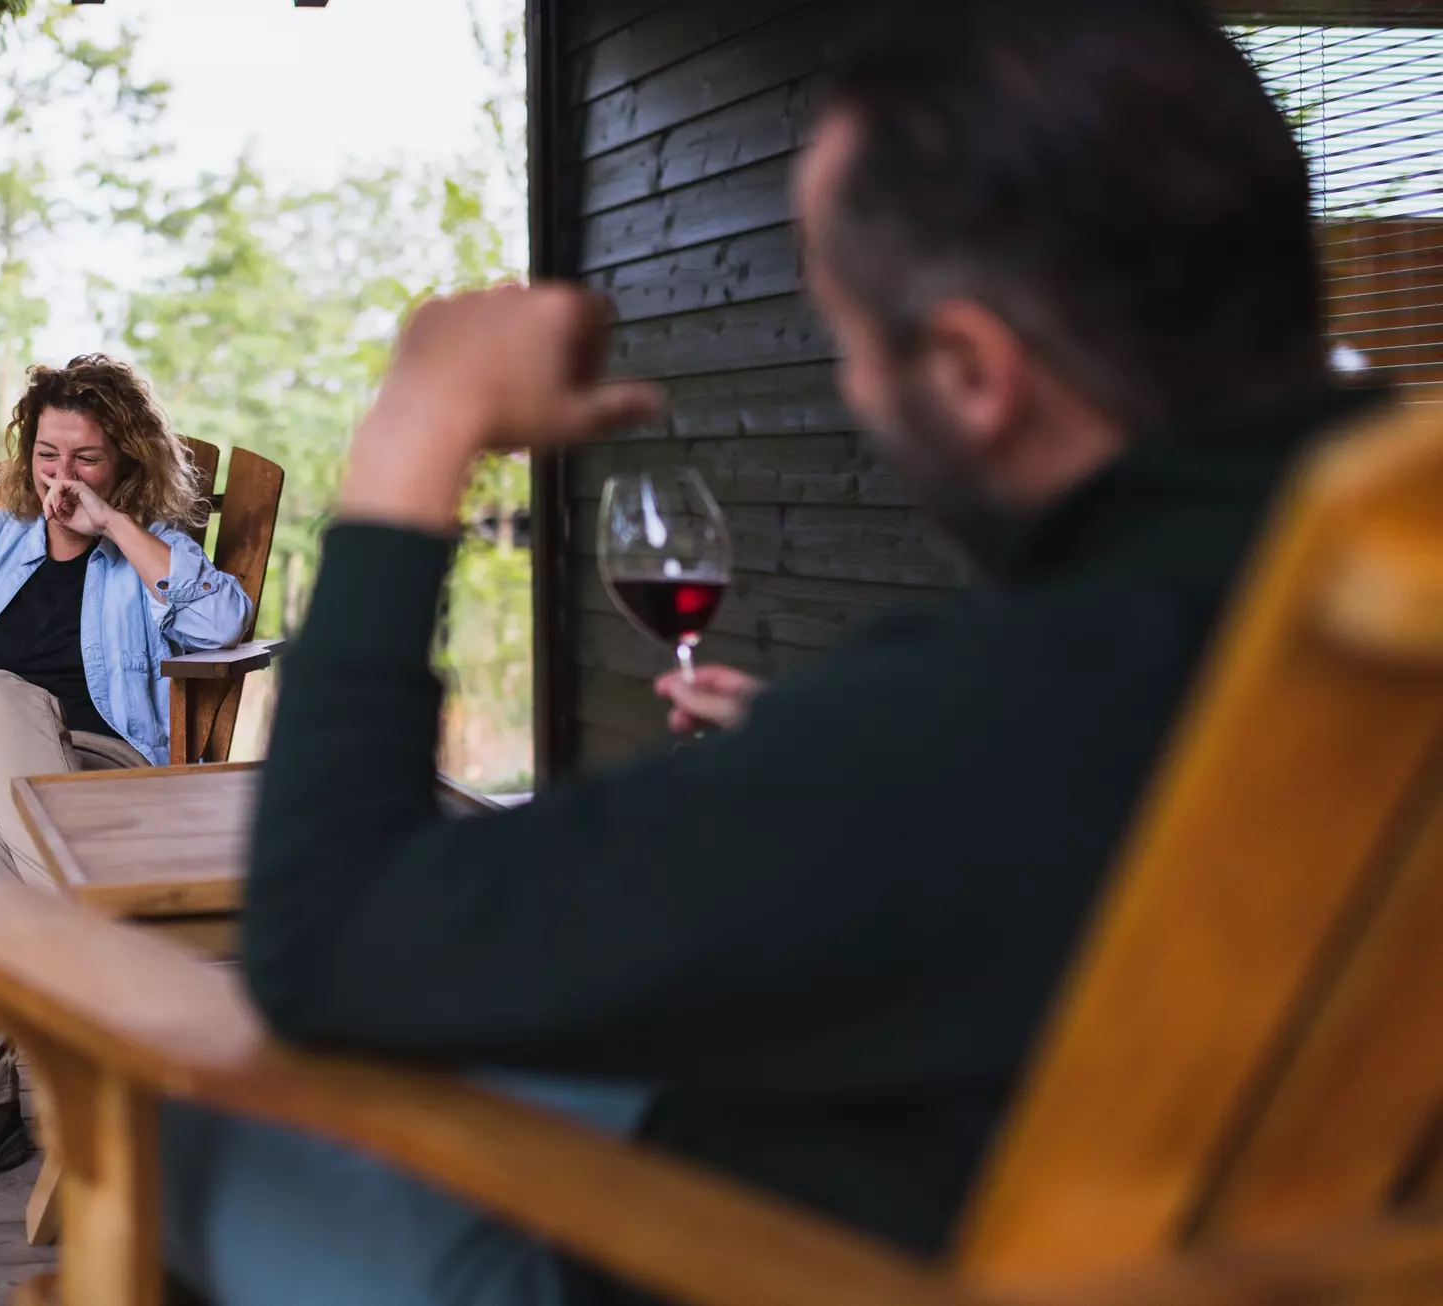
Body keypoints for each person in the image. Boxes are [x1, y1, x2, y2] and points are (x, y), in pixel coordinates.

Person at [155, 2, 1388, 1304]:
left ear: (974, 370)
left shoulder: (1003, 710)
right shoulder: (1322, 637)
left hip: (793, 1252)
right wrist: (815, 769)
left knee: (196, 1118)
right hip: (1186, 1198)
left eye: (849, 333)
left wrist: (418, 424)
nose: (856, 388)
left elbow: (327, 938)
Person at [0, 354, 253, 1205]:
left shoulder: (153, 556)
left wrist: (115, 528)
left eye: (86, 460)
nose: (62, 478)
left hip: (89, 784)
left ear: (124, 464)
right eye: (47, 456)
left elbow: (222, 621)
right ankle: (97, 957)